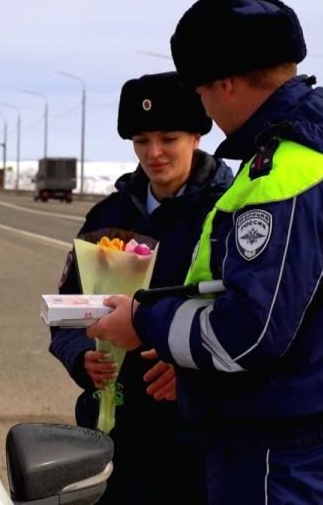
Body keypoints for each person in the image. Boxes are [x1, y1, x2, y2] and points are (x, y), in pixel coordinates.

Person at [87, 0, 323, 504]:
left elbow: (247, 333)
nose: (203, 107)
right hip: (301, 428)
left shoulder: (286, 177)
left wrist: (143, 320)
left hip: (274, 445)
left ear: (227, 83)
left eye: (201, 93)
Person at [49, 71, 232, 503]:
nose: (154, 153)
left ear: (196, 136)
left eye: (168, 138)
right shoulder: (106, 216)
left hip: (195, 439)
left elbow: (252, 320)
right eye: (141, 141)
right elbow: (68, 310)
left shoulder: (228, 216)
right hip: (113, 433)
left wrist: (193, 369)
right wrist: (81, 358)